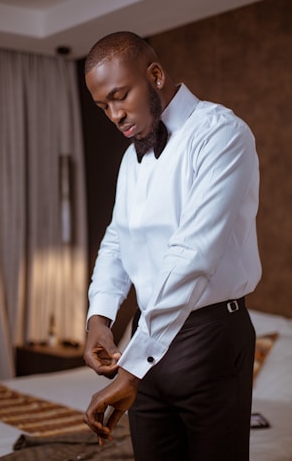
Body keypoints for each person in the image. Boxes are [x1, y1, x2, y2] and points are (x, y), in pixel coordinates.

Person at [83, 31, 261, 461]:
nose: (114, 114)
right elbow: (117, 238)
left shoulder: (221, 134)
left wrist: (131, 367)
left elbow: (191, 256)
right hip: (145, 334)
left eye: (119, 96)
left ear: (156, 75)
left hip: (210, 336)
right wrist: (99, 316)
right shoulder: (132, 156)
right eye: (103, 107)